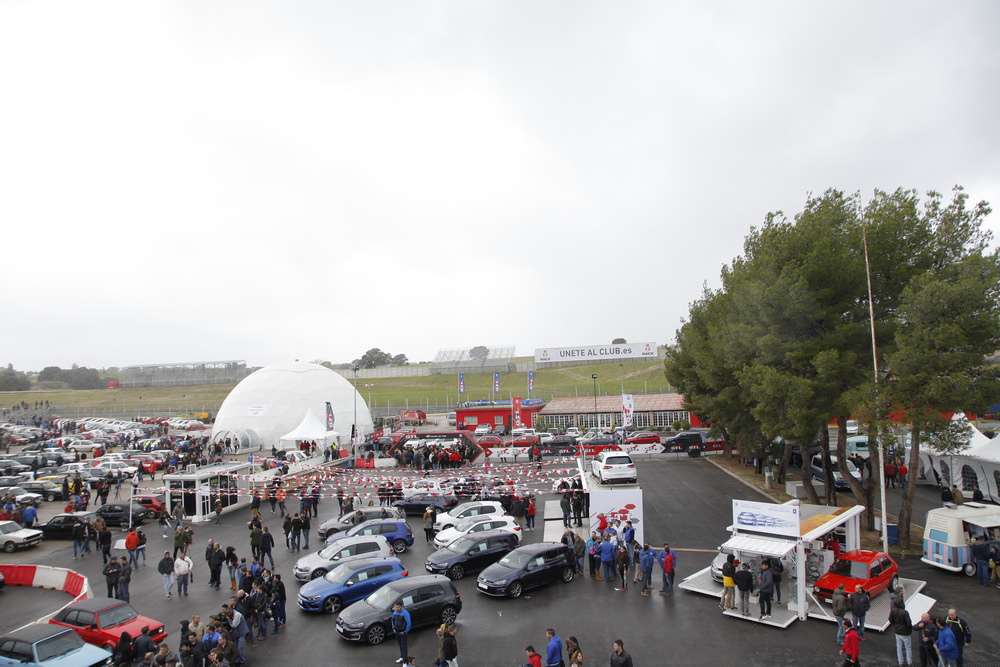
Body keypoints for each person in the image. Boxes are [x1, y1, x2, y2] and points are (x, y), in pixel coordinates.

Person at [890, 594, 914, 666]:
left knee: (899, 647)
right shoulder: (905, 612)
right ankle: (909, 662)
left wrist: (896, 624)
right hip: (905, 632)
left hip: (897, 631)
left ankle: (901, 662)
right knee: (908, 647)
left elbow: (890, 620)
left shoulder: (893, 611)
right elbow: (908, 623)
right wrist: (909, 629)